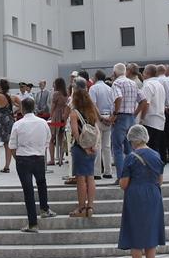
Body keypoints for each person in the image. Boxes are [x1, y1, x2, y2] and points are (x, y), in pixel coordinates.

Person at [117, 123, 166, 258]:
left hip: (136, 195)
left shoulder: (131, 157)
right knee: (151, 232)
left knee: (136, 232)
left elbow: (124, 183)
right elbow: (160, 180)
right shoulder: (156, 155)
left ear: (133, 140)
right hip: (153, 195)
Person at [12, 97, 54, 231]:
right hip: (39, 157)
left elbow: (12, 145)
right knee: (42, 183)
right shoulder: (42, 122)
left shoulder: (18, 124)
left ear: (22, 109)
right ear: (34, 107)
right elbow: (48, 139)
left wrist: (17, 158)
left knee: (28, 191)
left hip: (23, 158)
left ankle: (33, 223)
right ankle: (44, 208)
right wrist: (41, 149)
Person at [69, 88, 102, 217]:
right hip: (93, 147)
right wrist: (93, 146)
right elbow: (97, 130)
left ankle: (82, 207)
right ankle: (90, 207)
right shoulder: (92, 111)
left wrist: (84, 148)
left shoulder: (74, 113)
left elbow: (75, 133)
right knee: (90, 177)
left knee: (81, 179)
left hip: (80, 148)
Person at [88, 71, 119, 178]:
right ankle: (108, 171)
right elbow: (113, 104)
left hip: (98, 117)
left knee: (97, 145)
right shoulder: (110, 89)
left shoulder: (93, 88)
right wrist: (111, 118)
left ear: (96, 77)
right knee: (107, 146)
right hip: (109, 116)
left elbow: (93, 104)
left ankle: (97, 172)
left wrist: (99, 117)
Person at [140, 65, 169, 166]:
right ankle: (158, 166)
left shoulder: (148, 85)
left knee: (150, 147)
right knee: (157, 146)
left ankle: (152, 167)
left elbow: (146, 103)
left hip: (150, 119)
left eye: (144, 72)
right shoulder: (159, 84)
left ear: (147, 73)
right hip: (160, 119)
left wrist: (141, 118)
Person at [48, 79, 70, 167]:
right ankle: (61, 159)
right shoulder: (66, 93)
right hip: (64, 115)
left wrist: (51, 115)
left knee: (51, 137)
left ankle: (52, 159)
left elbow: (53, 107)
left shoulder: (56, 94)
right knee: (61, 138)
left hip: (56, 116)